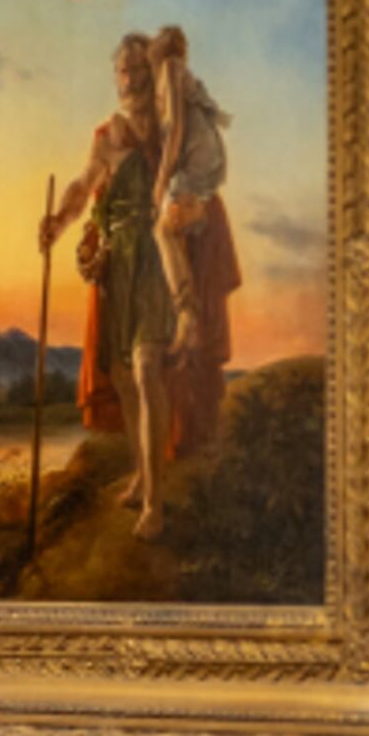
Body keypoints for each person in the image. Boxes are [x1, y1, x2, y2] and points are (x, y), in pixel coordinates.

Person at [37, 33, 179, 539]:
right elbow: (82, 185)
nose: (131, 79)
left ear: (152, 74)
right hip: (116, 266)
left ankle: (155, 506)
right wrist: (59, 220)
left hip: (156, 260)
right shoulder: (107, 136)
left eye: (139, 69)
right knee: (123, 378)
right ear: (116, 78)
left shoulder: (169, 125)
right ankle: (142, 474)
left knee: (146, 368)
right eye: (123, 71)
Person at [145, 23, 243, 457]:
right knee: (168, 232)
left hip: (196, 171)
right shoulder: (180, 74)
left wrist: (160, 185)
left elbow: (178, 134)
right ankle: (186, 312)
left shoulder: (169, 69)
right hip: (204, 171)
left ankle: (186, 313)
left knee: (163, 228)